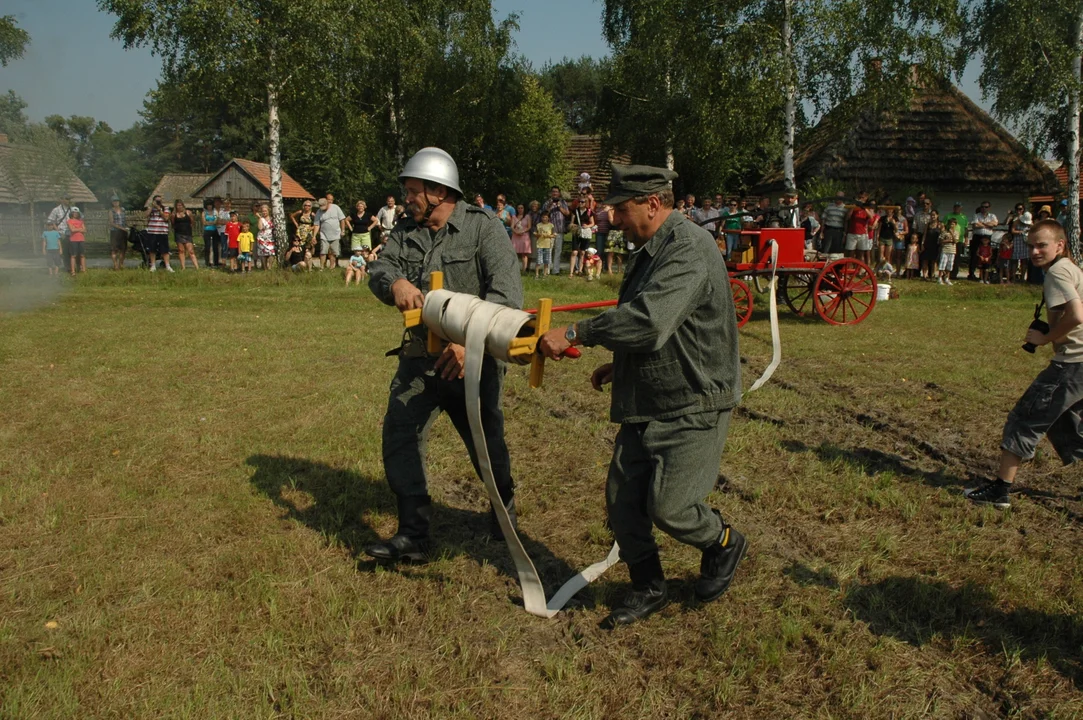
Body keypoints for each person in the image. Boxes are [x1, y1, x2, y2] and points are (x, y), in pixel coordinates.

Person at [538, 164, 746, 628]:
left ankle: (723, 541)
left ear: (653, 203)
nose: (612, 218)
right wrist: (623, 364)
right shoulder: (651, 247)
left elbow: (651, 321)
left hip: (694, 397)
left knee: (671, 507)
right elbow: (664, 322)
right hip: (651, 392)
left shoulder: (688, 248)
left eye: (621, 208)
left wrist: (576, 331)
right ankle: (648, 586)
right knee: (623, 501)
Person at [364, 147, 523, 563]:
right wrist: (394, 282)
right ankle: (413, 533)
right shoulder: (405, 230)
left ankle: (503, 510)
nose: (406, 198)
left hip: (471, 362)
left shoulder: (483, 228)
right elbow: (379, 269)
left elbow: (506, 295)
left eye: (414, 191)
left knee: (486, 444)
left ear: (439, 191)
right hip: (417, 360)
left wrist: (469, 342)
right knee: (400, 435)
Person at [965, 220, 1083, 509]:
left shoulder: (1056, 272)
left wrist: (1046, 338)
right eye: (1031, 246)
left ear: (1060, 245)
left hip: (1071, 364)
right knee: (1067, 426)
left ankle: (1000, 490)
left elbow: (1077, 315)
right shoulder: (1070, 268)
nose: (1035, 251)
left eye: (1042, 245)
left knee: (1024, 419)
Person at [542, 186, 570, 274]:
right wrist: (550, 206)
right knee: (548, 250)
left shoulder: (563, 202)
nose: (555, 193)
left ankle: (556, 270)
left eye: (556, 192)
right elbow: (543, 214)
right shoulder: (547, 203)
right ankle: (547, 270)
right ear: (551, 193)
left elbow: (567, 213)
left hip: (560, 230)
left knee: (558, 251)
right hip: (549, 231)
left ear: (559, 193)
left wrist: (560, 207)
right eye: (553, 192)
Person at [316, 194, 347, 270]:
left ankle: (332, 268)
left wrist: (343, 230)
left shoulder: (336, 207)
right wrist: (314, 235)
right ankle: (321, 267)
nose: (330, 201)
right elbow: (316, 224)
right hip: (324, 234)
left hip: (335, 234)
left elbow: (342, 219)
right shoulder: (319, 211)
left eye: (332, 200)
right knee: (323, 251)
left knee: (333, 252)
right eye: (329, 199)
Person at [145, 195, 173, 273]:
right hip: (152, 231)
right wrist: (152, 207)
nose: (158, 202)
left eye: (159, 201)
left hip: (162, 231)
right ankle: (153, 265)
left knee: (165, 249)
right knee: (152, 249)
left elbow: (166, 218)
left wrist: (159, 209)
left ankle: (167, 266)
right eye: (156, 201)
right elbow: (146, 215)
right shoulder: (150, 208)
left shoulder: (165, 208)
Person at [969, 201, 996, 281]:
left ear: (989, 208)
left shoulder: (992, 216)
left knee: (987, 255)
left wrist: (982, 223)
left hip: (987, 237)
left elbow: (995, 224)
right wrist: (988, 224)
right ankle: (972, 274)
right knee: (974, 255)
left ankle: (985, 275)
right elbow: (975, 225)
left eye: (986, 207)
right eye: (982, 207)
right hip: (977, 236)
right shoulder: (976, 215)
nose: (984, 208)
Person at [171, 200, 199, 270]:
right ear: (176, 206)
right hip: (178, 234)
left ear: (183, 205)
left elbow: (192, 222)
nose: (179, 207)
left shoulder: (188, 213)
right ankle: (183, 267)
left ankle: (197, 267)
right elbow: (173, 224)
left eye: (181, 205)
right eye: (178, 205)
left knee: (191, 251)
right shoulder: (174, 214)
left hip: (187, 234)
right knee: (181, 250)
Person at [821, 192, 848, 259]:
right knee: (826, 249)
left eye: (840, 197)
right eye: (837, 196)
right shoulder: (829, 206)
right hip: (829, 229)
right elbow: (823, 219)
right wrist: (821, 232)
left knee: (836, 250)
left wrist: (845, 233)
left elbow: (846, 221)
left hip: (839, 230)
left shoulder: (845, 208)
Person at [510, 204, 532, 273]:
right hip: (516, 236)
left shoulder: (527, 216)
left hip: (524, 236)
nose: (520, 209)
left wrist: (523, 231)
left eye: (522, 208)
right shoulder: (514, 217)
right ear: (517, 209)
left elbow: (529, 227)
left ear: (524, 209)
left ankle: (524, 270)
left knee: (524, 254)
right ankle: (514, 269)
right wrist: (516, 232)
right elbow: (512, 226)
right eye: (519, 208)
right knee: (514, 253)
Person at [108, 196, 128, 270]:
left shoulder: (123, 210)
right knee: (114, 249)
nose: (116, 203)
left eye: (117, 201)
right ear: (112, 203)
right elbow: (111, 222)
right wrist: (121, 228)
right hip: (115, 231)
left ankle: (121, 264)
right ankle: (115, 265)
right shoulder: (111, 211)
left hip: (123, 231)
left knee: (123, 249)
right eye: (114, 201)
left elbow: (125, 220)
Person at [922, 210, 942, 281]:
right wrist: (922, 243)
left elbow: (942, 235)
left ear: (937, 215)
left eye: (934, 215)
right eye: (931, 215)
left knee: (934, 261)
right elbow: (924, 235)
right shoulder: (928, 224)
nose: (933, 216)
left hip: (936, 245)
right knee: (925, 260)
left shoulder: (940, 225)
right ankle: (924, 275)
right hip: (927, 244)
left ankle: (933, 275)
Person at [938, 217, 959, 285]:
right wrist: (949, 241)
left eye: (953, 224)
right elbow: (940, 241)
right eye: (950, 224)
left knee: (949, 265)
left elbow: (955, 241)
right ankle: (939, 278)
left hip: (952, 251)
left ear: (955, 225)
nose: (951, 225)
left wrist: (951, 234)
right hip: (945, 250)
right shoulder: (944, 232)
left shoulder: (956, 232)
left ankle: (947, 278)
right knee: (942, 264)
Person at [66, 207, 87, 275]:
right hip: (73, 240)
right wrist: (80, 229)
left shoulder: (81, 221)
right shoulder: (69, 221)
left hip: (81, 239)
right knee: (73, 255)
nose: (75, 214)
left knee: (82, 255)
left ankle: (84, 270)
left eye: (76, 213)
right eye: (74, 213)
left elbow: (85, 230)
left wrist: (76, 228)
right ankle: (73, 271)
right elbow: (72, 230)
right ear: (71, 213)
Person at [534, 211, 555, 278]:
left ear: (548, 218)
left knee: (546, 261)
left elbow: (554, 235)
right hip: (540, 245)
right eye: (543, 217)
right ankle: (536, 274)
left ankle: (545, 274)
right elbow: (535, 233)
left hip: (548, 245)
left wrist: (548, 236)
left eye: (546, 217)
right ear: (541, 218)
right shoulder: (538, 225)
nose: (544, 218)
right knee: (538, 261)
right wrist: (538, 234)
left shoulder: (551, 225)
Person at [201, 199, 220, 267]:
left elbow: (216, 221)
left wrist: (208, 222)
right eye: (208, 205)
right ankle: (207, 262)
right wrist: (211, 223)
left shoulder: (215, 212)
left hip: (214, 231)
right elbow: (204, 222)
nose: (209, 207)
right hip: (207, 231)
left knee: (215, 247)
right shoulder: (204, 212)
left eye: (211, 205)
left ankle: (216, 262)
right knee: (207, 247)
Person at [256, 203, 275, 270]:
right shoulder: (261, 219)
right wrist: (260, 219)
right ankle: (265, 268)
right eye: (263, 211)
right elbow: (260, 228)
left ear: (268, 211)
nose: (264, 212)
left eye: (265, 211)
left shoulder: (272, 219)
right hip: (262, 238)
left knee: (272, 253)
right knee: (263, 254)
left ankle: (270, 267)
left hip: (270, 238)